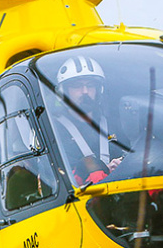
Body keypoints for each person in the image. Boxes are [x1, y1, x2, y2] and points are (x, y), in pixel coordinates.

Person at [51, 55, 124, 185]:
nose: (85, 91)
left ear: (99, 90)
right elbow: (57, 177)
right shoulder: (53, 129)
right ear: (64, 91)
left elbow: (134, 155)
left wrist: (123, 163)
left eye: (90, 85)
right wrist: (101, 170)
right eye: (77, 86)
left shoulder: (114, 124)